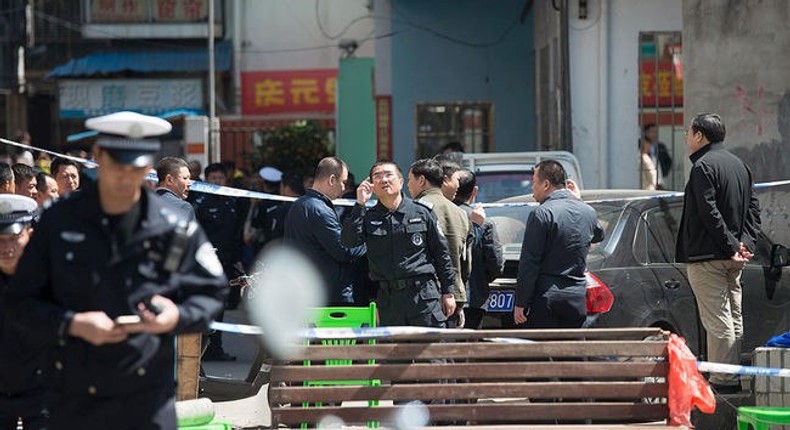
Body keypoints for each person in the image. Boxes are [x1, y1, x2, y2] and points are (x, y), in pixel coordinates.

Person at [3, 111, 227, 430]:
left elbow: (212, 292)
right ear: (98, 158)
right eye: (117, 166)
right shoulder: (60, 222)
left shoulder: (172, 226)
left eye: (135, 168)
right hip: (74, 400)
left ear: (148, 167)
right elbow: (20, 302)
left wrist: (175, 315)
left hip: (147, 398)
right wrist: (72, 323)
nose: (125, 178)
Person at [675, 113, 761, 394]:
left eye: (689, 132)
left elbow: (708, 213)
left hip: (708, 256)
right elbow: (753, 211)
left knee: (718, 320)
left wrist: (731, 246)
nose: (686, 137)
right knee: (733, 319)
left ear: (700, 135)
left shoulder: (703, 167)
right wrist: (743, 244)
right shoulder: (740, 165)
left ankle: (723, 382)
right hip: (732, 257)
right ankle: (733, 376)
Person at [341, 161, 456, 327]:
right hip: (389, 299)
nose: (384, 180)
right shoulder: (368, 216)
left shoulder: (422, 212)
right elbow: (349, 242)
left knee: (430, 351)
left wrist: (448, 292)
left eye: (389, 175)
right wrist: (360, 204)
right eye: (377, 176)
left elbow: (442, 253)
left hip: (423, 296)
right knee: (394, 351)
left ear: (401, 182)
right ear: (372, 185)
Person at [514, 160, 604, 328]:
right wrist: (579, 201)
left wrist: (521, 302)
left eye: (534, 182)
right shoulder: (587, 211)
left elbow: (530, 262)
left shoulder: (541, 213)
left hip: (547, 297)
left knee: (545, 351)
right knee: (572, 352)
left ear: (546, 184)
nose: (532, 188)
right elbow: (599, 235)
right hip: (577, 297)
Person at [284, 157, 366, 305]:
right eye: (343, 182)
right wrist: (368, 242)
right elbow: (344, 251)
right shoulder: (320, 209)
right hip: (327, 295)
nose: (344, 188)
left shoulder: (299, 204)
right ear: (332, 179)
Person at [0, 195, 46, 430]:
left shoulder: (51, 279)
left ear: (30, 234)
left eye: (14, 238)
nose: (6, 248)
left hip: (43, 392)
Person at [407, 158, 469, 327]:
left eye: (409, 180)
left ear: (421, 180)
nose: (408, 185)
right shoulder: (461, 213)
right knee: (449, 351)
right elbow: (465, 261)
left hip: (425, 296)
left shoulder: (415, 210)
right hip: (455, 294)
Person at [191, 163, 244, 359]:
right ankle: (200, 350)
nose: (217, 181)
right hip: (205, 263)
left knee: (220, 306)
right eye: (213, 178)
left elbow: (236, 233)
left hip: (226, 261)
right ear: (206, 180)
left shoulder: (232, 201)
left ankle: (216, 349)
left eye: (220, 178)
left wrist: (237, 260)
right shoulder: (199, 201)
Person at [453, 170, 504, 329]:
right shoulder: (483, 222)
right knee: (469, 348)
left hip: (445, 298)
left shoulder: (438, 215)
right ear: (474, 191)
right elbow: (495, 264)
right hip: (475, 298)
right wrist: (481, 278)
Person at [154, 157, 195, 223]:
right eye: (185, 178)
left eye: (189, 178)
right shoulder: (183, 207)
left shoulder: (143, 202)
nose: (189, 183)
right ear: (169, 180)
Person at [640, 123, 673, 188]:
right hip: (645, 180)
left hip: (659, 177)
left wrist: (664, 172)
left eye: (656, 131)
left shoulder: (661, 146)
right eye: (652, 131)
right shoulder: (640, 145)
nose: (654, 134)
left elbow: (668, 161)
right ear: (646, 133)